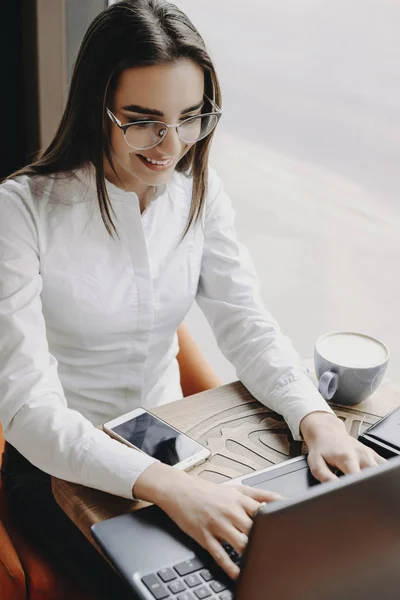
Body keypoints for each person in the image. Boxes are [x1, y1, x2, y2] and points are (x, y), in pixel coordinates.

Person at [0, 1, 384, 598]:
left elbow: (247, 324)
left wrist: (315, 419)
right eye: (142, 118)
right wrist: (167, 487)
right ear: (94, 107)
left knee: (290, 561)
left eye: (190, 117)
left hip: (164, 437)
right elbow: (30, 411)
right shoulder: (20, 211)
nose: (170, 144)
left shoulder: (199, 195)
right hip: (56, 468)